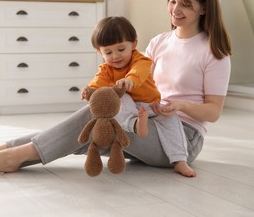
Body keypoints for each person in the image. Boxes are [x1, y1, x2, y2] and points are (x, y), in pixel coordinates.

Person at [0, 0, 231, 178]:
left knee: (95, 116)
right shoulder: (159, 42)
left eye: (185, 4)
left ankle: (9, 157)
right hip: (143, 121)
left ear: (204, 7)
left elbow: (213, 112)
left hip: (182, 139)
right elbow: (134, 80)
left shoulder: (213, 52)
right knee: (85, 129)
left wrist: (178, 105)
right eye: (171, 0)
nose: (174, 9)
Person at [81, 16, 191, 174]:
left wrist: (131, 79)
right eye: (108, 52)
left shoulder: (140, 59)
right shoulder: (106, 69)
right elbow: (98, 82)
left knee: (171, 119)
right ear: (100, 52)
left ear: (133, 44)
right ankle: (134, 125)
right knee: (117, 98)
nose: (115, 56)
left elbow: (140, 70)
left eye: (121, 49)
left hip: (152, 107)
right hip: (128, 110)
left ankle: (180, 159)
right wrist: (90, 90)